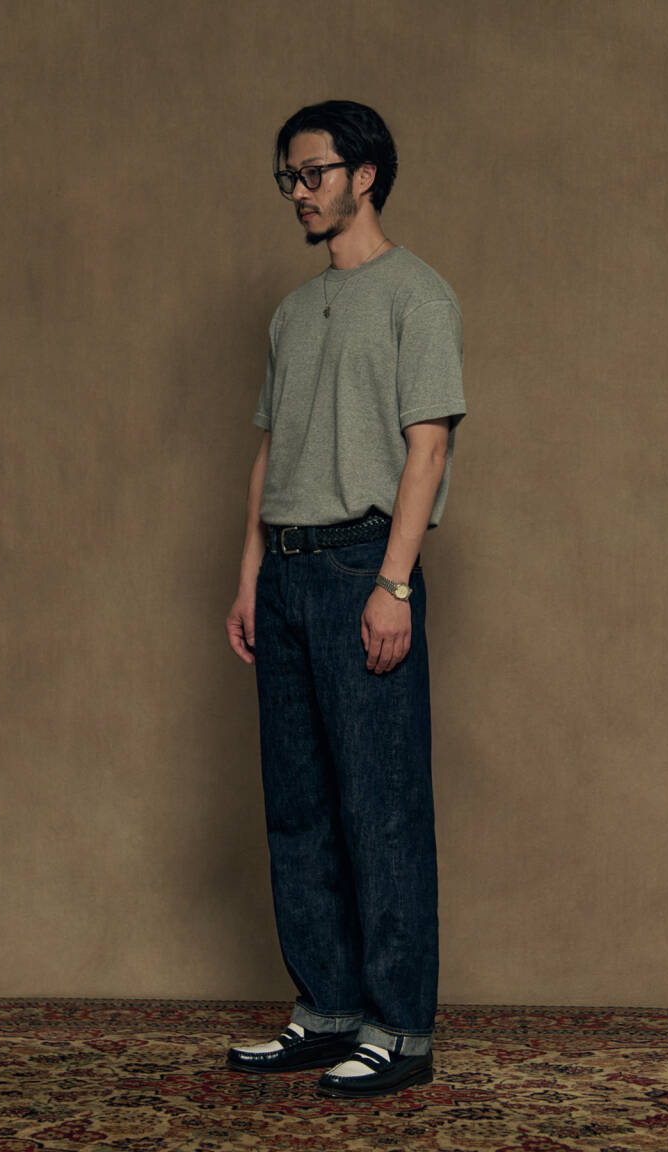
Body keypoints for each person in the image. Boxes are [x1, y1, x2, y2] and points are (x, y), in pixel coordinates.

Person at [224, 99, 465, 1100]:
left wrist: (394, 584)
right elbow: (271, 450)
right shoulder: (292, 313)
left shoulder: (419, 296)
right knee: (298, 804)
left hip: (363, 563)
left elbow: (428, 447)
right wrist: (249, 575)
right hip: (286, 570)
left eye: (313, 173)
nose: (299, 192)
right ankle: (326, 1010)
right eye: (288, 176)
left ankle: (399, 1028)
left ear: (365, 175)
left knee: (381, 804)